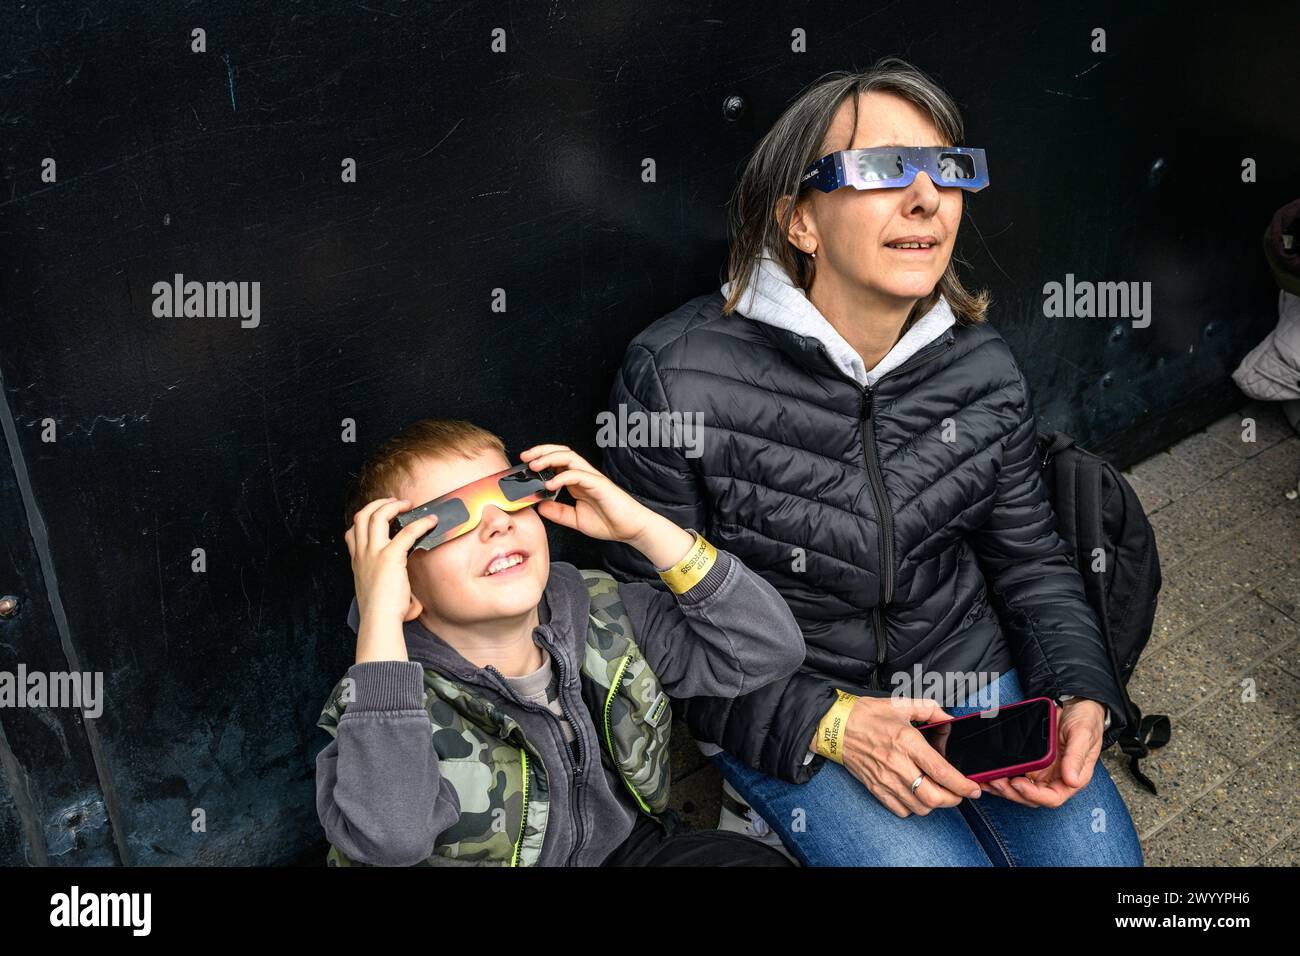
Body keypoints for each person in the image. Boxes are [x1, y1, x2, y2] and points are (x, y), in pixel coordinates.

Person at [601, 57, 1145, 866]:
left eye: (948, 170)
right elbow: (646, 623)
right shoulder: (673, 377)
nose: (926, 196)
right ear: (799, 221)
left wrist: (1081, 691)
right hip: (794, 697)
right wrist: (830, 724)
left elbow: (1030, 558)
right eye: (886, 168)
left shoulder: (980, 365)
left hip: (969, 676)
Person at [314, 418, 802, 866]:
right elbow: (392, 838)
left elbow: (766, 649)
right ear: (402, 582)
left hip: (623, 850)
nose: (497, 521)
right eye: (448, 520)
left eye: (512, 492)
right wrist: (379, 613)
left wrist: (644, 528)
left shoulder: (605, 611)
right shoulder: (380, 703)